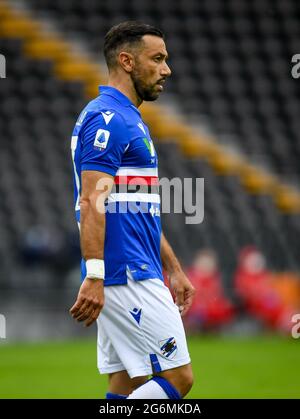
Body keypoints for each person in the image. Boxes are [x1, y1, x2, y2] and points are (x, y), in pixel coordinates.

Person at [69, 21, 195, 399]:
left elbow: (139, 209)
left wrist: (172, 268)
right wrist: (94, 275)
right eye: (157, 59)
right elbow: (92, 200)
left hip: (137, 267)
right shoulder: (107, 119)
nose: (166, 69)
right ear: (126, 61)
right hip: (125, 273)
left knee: (126, 382)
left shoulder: (128, 118)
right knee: (178, 378)